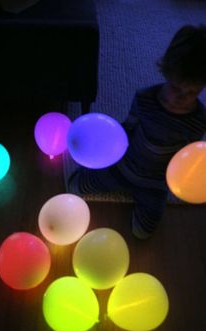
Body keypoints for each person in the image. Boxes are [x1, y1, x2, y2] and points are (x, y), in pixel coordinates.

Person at [68, 24, 206, 240]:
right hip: (124, 166)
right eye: (176, 88)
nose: (181, 98)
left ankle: (141, 203)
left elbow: (189, 159)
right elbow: (125, 130)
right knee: (76, 186)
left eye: (192, 93)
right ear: (167, 73)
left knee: (142, 232)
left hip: (156, 183)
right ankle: (96, 177)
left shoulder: (198, 120)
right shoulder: (145, 99)